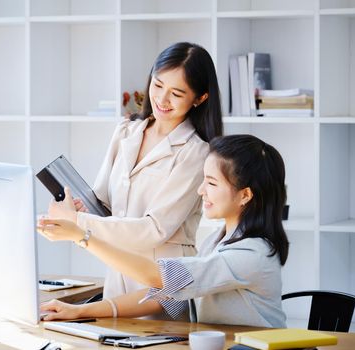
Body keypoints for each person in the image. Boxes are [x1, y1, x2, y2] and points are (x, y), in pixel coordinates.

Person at [38, 134, 290, 328]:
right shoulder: (218, 241)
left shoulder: (251, 253)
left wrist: (81, 236)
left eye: (211, 183)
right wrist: (80, 311)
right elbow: (167, 296)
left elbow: (160, 278)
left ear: (245, 195)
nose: (201, 191)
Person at [47, 42, 223, 300]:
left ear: (200, 98)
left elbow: (156, 229)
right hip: (118, 267)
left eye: (176, 93)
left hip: (163, 277)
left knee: (154, 338)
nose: (161, 99)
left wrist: (78, 224)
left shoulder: (196, 152)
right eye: (158, 84)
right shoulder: (126, 131)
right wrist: (73, 206)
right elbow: (103, 201)